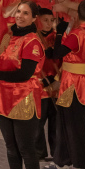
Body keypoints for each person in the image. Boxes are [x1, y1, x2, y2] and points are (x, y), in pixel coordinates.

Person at [0, 1, 45, 169]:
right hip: (4, 99)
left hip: (23, 99)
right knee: (11, 147)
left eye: (26, 13)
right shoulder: (10, 38)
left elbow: (25, 74)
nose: (20, 16)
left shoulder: (33, 42)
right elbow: (1, 63)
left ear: (33, 19)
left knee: (26, 149)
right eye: (19, 12)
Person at [44, 0, 85, 169]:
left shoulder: (78, 33)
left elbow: (58, 53)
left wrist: (60, 31)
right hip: (75, 82)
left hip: (74, 84)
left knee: (73, 125)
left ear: (77, 15)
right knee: (65, 123)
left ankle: (82, 165)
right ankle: (62, 161)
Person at [35, 8, 59, 160]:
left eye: (51, 20)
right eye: (45, 20)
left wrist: (56, 79)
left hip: (56, 87)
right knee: (37, 125)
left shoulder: (58, 38)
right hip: (39, 88)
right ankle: (39, 154)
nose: (49, 23)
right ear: (37, 20)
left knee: (56, 126)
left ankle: (57, 154)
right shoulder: (32, 38)